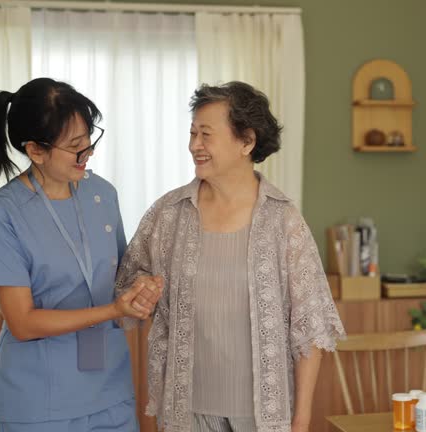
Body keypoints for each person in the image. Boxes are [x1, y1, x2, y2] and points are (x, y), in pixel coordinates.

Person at [115, 81, 345, 432]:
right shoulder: (168, 214)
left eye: (206, 134)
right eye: (192, 133)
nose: (194, 145)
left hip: (263, 417)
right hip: (186, 414)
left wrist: (300, 419)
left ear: (247, 142)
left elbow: (309, 327)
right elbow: (127, 284)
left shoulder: (283, 220)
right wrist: (140, 291)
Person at [0, 77, 162, 432]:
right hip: (39, 399)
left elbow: (120, 281)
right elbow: (23, 323)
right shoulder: (3, 212)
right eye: (76, 146)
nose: (88, 152)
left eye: (90, 139)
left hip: (111, 391)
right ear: (36, 150)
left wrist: (141, 291)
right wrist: (112, 310)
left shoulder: (103, 194)